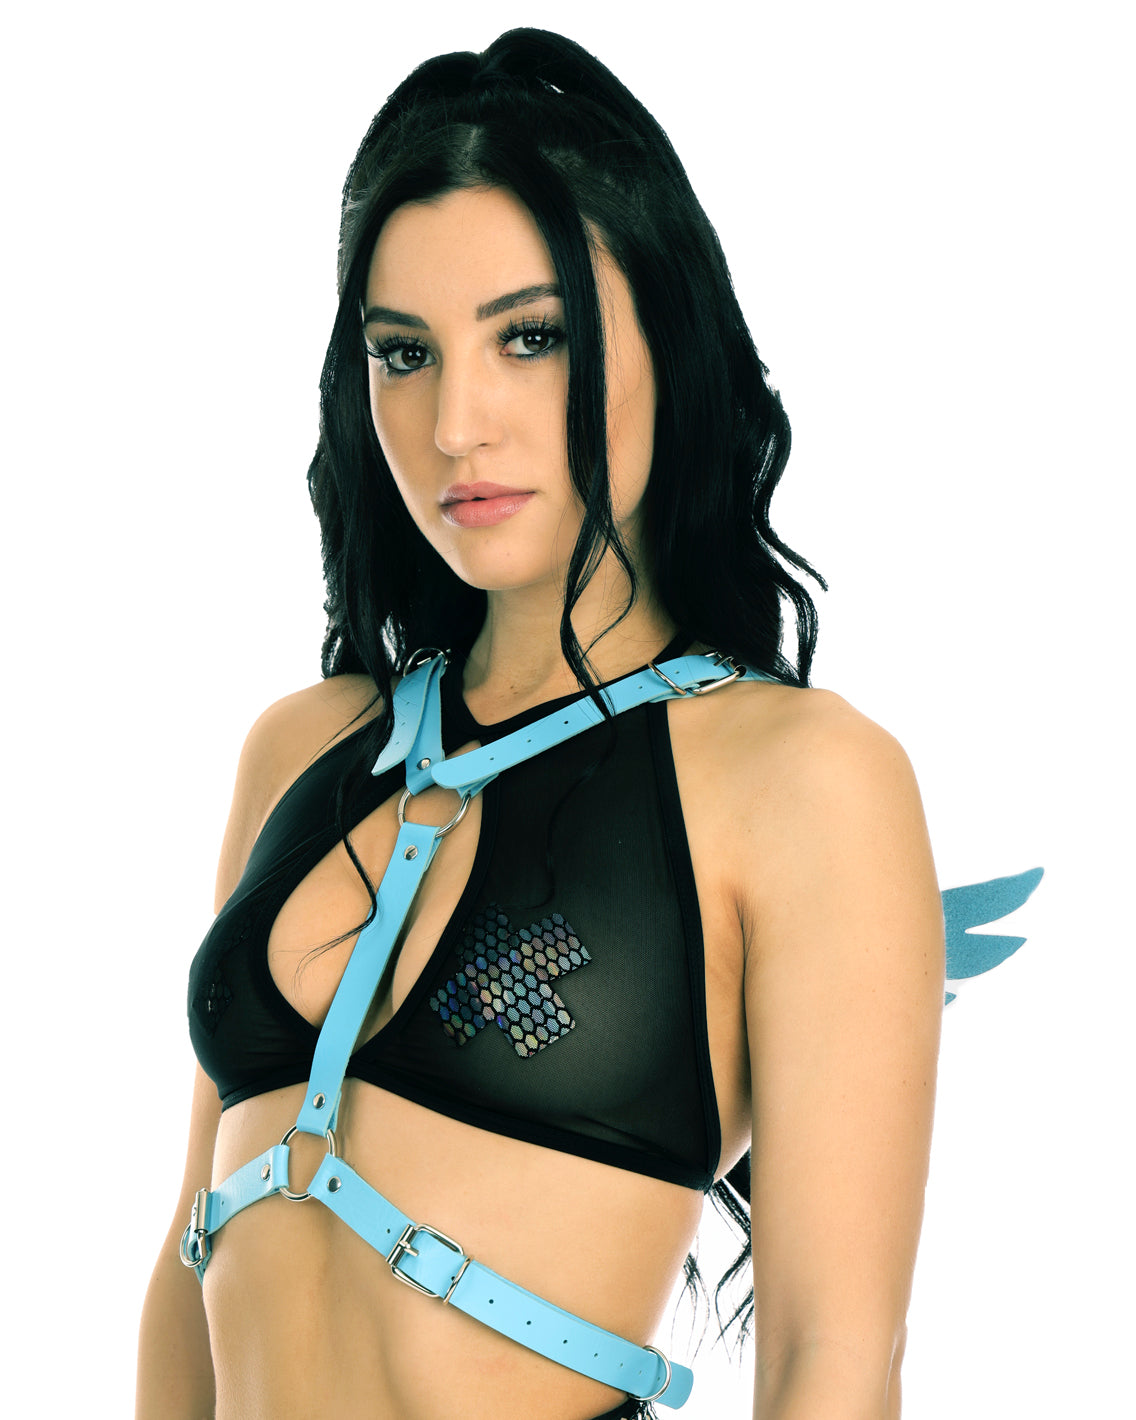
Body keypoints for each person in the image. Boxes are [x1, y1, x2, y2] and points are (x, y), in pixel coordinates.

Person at [136, 28, 944, 1420]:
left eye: (531, 336)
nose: (456, 424)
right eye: (404, 353)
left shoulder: (804, 781)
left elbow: (835, 1355)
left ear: (667, 338)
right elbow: (184, 1272)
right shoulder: (302, 749)